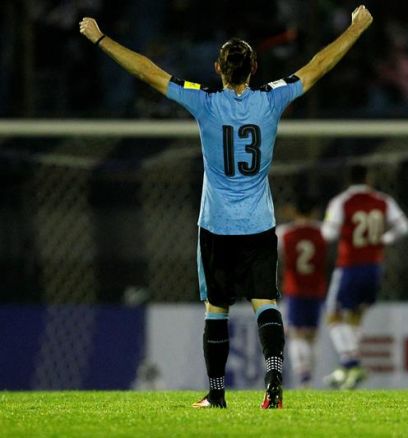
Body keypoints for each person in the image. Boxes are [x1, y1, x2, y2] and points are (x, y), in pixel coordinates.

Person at [79, 6, 373, 409]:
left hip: (216, 224)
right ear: (254, 67)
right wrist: (357, 27)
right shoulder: (272, 99)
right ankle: (274, 376)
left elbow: (148, 71)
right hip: (259, 223)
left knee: (215, 310)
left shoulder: (206, 103)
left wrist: (99, 37)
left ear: (218, 68)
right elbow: (318, 65)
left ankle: (216, 394)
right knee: (265, 303)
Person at [321, 165, 408, 389]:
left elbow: (328, 233)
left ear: (349, 181)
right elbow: (404, 227)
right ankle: (347, 370)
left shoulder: (341, 202)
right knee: (355, 317)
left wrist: (336, 225)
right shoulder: (383, 200)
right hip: (374, 267)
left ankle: (351, 362)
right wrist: (385, 239)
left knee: (333, 316)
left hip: (349, 267)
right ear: (368, 179)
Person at [276, 197, 328, 387]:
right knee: (312, 335)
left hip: (294, 290)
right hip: (316, 289)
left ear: (293, 211)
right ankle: (308, 378)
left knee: (295, 334)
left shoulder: (284, 233)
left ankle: (303, 373)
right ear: (314, 212)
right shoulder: (323, 231)